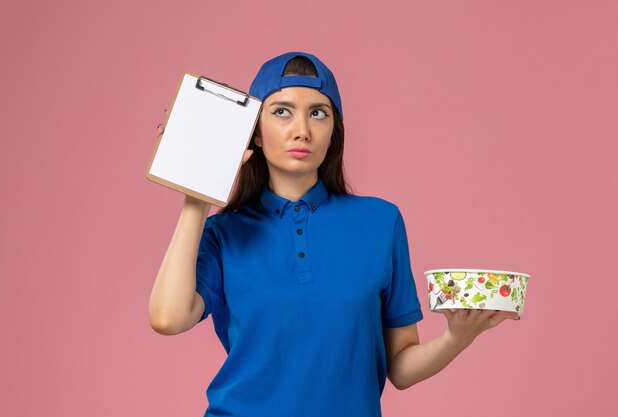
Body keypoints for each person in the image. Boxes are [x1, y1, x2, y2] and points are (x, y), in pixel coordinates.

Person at [148, 51, 519, 417]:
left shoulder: (380, 222)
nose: (302, 130)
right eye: (281, 111)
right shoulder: (224, 232)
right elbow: (168, 318)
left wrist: (457, 338)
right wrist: (197, 198)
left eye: (318, 113)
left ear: (333, 131)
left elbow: (401, 368)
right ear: (256, 134)